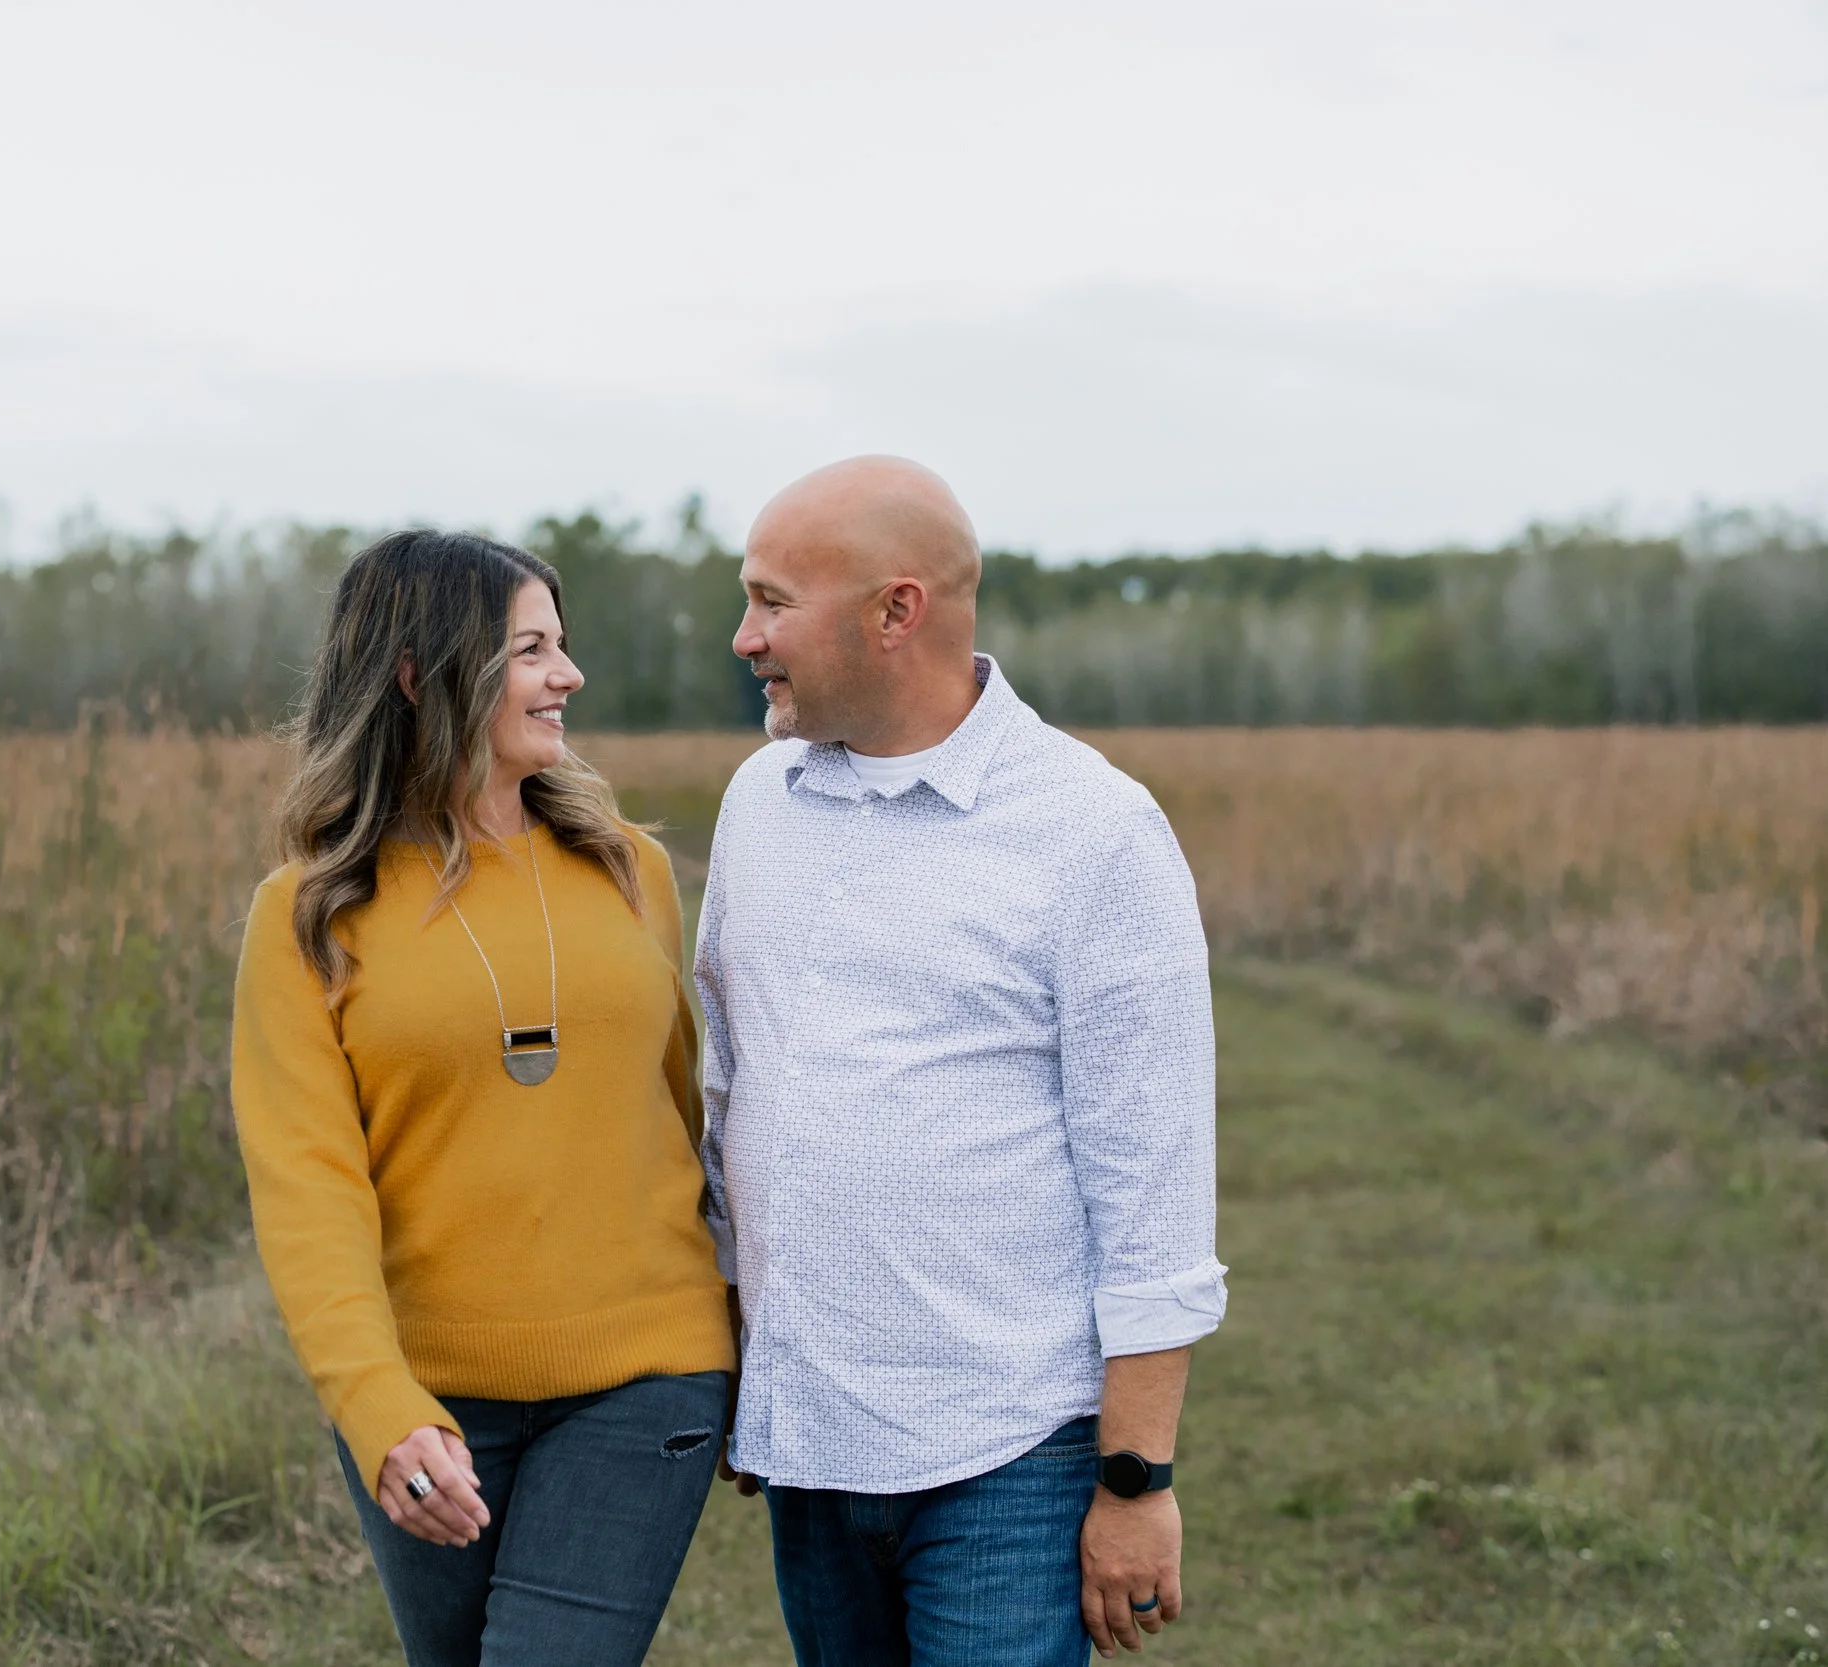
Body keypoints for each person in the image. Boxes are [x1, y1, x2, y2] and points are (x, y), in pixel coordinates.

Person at [695, 458, 1227, 1666]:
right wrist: (735, 1353)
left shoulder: (1092, 831)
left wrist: (1136, 1479)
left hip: (1006, 1449)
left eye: (772, 601)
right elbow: (731, 1089)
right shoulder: (758, 803)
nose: (745, 637)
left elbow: (1153, 1184)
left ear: (896, 611)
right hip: (810, 1437)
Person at [231, 529, 736, 1667]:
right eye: (531, 649)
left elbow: (693, 1121)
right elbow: (308, 1186)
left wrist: (758, 1333)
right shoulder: (307, 913)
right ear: (418, 672)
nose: (569, 676)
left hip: (645, 1371)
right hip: (425, 1402)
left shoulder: (629, 871)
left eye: (563, 645)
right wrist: (376, 1404)